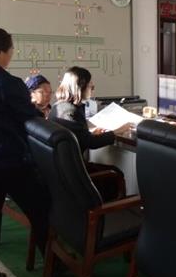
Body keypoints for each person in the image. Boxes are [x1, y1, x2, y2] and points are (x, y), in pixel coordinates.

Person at [0, 27, 50, 257]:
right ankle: (54, 264)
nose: (11, 55)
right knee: (40, 208)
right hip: (8, 160)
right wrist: (39, 113)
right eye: (10, 51)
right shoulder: (8, 83)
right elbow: (29, 117)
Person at [49, 66, 130, 201]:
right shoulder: (70, 112)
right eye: (90, 86)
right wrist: (116, 132)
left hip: (62, 169)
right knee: (116, 173)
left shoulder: (58, 106)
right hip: (73, 173)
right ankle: (109, 208)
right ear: (80, 87)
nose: (92, 88)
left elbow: (79, 137)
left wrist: (89, 133)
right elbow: (90, 143)